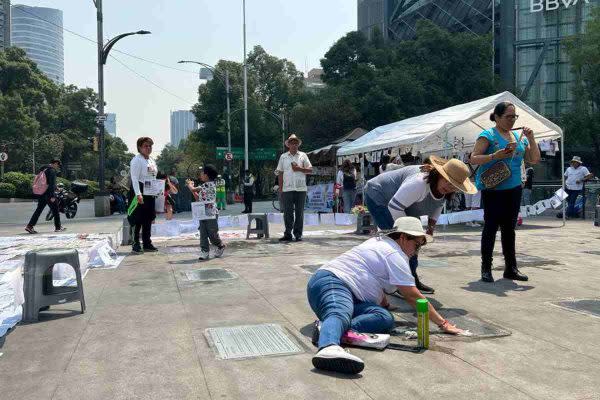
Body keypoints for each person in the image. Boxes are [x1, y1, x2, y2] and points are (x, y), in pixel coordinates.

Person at [307, 216, 466, 375]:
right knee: (339, 311)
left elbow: (376, 278)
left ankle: (329, 329)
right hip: (333, 282)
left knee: (384, 317)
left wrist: (385, 304)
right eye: (416, 245)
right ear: (403, 237)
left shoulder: (383, 246)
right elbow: (413, 296)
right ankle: (328, 346)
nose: (416, 251)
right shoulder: (393, 253)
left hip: (349, 294)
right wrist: (443, 323)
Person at [365, 157, 476, 293]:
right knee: (399, 241)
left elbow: (437, 206)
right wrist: (405, 232)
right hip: (378, 195)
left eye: (453, 185)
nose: (448, 187)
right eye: (447, 181)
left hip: (401, 203)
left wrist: (430, 228)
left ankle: (411, 279)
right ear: (439, 175)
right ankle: (401, 284)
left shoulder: (443, 190)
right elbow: (394, 206)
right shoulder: (419, 183)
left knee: (414, 241)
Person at [470, 101, 541, 283]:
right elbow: (474, 158)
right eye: (508, 116)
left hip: (514, 188)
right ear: (497, 117)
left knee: (509, 229)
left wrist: (531, 138)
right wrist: (495, 156)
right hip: (493, 189)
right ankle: (486, 268)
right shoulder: (488, 135)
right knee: (491, 228)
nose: (511, 120)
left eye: (514, 116)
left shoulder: (519, 137)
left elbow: (534, 159)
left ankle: (511, 268)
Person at [275, 134, 313, 242]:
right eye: (292, 143)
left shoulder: (303, 155)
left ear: (298, 144)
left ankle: (298, 234)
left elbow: (310, 170)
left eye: (296, 143)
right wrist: (281, 188)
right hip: (287, 189)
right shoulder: (283, 157)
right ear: (289, 145)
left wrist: (299, 168)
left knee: (300, 212)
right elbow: (280, 173)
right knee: (288, 212)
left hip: (301, 189)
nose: (294, 145)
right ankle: (288, 233)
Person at [187, 164, 225, 260]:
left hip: (211, 213)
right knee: (203, 233)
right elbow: (198, 198)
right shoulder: (204, 186)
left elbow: (193, 189)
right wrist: (192, 190)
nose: (201, 175)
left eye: (202, 173)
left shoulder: (208, 185)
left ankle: (220, 245)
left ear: (207, 175)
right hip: (202, 212)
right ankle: (205, 252)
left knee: (212, 234)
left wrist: (190, 185)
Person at [129, 137, 159, 254]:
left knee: (148, 217)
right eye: (145, 146)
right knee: (137, 218)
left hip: (150, 191)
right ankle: (135, 243)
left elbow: (154, 176)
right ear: (140, 147)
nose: (148, 148)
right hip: (139, 190)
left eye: (150, 146)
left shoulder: (152, 160)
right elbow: (134, 178)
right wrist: (138, 194)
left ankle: (147, 243)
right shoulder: (136, 160)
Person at [25, 159, 65, 234]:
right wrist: (53, 196)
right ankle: (58, 227)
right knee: (56, 210)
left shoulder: (44, 169)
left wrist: (56, 188)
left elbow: (45, 182)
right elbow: (51, 184)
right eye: (58, 165)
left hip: (41, 194)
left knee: (38, 210)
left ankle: (29, 226)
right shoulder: (52, 171)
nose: (58, 167)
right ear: (55, 163)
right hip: (49, 194)